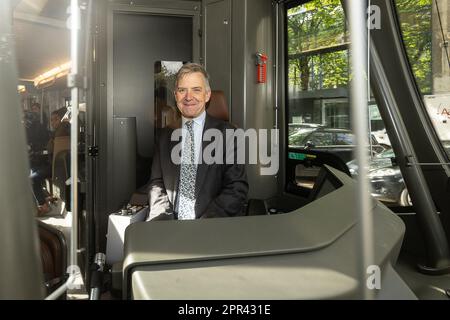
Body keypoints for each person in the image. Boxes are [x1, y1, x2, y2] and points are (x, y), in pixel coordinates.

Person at [147, 63, 248, 220]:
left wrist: (200, 228)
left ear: (207, 95)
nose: (188, 97)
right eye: (182, 90)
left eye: (196, 90)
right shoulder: (165, 136)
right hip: (171, 229)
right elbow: (157, 184)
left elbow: (236, 189)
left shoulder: (229, 134)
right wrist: (162, 222)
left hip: (211, 228)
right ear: (175, 95)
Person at [31, 108, 70, 215]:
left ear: (61, 119)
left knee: (33, 178)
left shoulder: (58, 134)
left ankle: (43, 205)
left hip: (56, 167)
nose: (53, 122)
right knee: (35, 170)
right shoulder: (66, 131)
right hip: (62, 165)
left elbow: (49, 149)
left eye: (56, 119)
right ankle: (47, 196)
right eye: (51, 120)